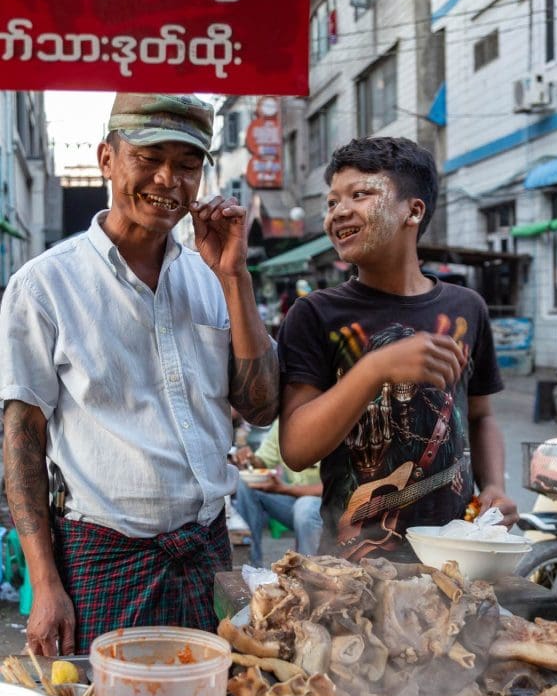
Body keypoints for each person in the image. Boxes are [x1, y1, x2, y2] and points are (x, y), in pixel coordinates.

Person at [0, 93, 279, 656]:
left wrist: (234, 276)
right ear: (107, 159)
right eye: (148, 158)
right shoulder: (44, 285)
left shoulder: (211, 277)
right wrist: (46, 585)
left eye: (187, 164)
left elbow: (261, 407)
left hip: (206, 552)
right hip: (103, 558)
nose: (167, 179)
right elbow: (21, 440)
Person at [277, 136, 517, 562]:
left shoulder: (467, 309)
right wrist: (375, 369)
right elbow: (296, 450)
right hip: (351, 567)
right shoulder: (315, 314)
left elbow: (480, 418)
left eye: (360, 194)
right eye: (332, 202)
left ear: (413, 210)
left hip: (455, 558)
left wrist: (494, 484)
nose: (339, 212)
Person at [232, 419, 322, 566]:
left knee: (304, 506)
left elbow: (337, 487)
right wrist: (250, 459)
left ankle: (308, 573)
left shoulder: (331, 421)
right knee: (247, 485)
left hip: (326, 507)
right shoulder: (284, 422)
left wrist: (287, 489)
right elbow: (263, 461)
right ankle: (252, 566)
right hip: (292, 500)